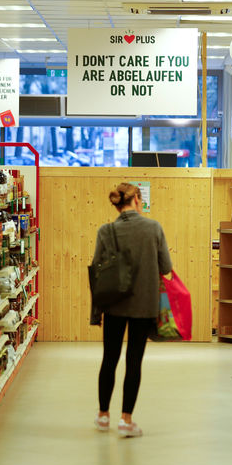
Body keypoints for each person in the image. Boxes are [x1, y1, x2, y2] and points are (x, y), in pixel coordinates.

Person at [90, 183, 173, 438]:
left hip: (114, 304)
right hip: (144, 305)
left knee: (110, 359)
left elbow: (96, 270)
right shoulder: (153, 228)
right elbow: (166, 266)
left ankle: (103, 416)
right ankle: (126, 420)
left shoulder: (106, 231)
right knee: (134, 361)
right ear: (137, 199)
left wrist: (97, 310)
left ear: (118, 203)